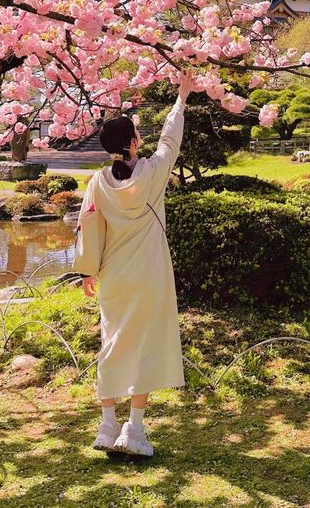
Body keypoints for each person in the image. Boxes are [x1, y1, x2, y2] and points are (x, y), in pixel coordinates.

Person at [72, 77, 192, 456]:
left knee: (113, 344)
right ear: (134, 142)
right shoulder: (153, 173)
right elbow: (171, 140)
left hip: (115, 276)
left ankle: (107, 426)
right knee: (145, 346)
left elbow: (88, 225)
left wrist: (88, 270)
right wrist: (182, 97)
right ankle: (134, 430)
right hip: (151, 274)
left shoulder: (98, 182)